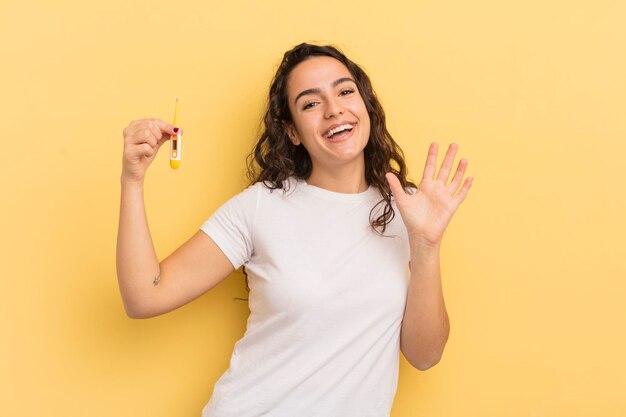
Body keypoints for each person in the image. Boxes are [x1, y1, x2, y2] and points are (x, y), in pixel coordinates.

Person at [116, 42, 473, 417]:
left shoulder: (408, 209)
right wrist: (132, 179)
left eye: (345, 91)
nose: (334, 108)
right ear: (293, 131)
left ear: (366, 106)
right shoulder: (261, 207)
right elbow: (145, 296)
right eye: (310, 103)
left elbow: (425, 355)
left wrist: (426, 244)